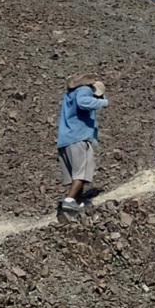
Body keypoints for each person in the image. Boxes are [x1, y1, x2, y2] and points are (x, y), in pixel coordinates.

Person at [56, 73, 108, 212]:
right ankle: (69, 200)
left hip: (65, 139)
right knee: (83, 171)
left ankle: (77, 202)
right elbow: (83, 102)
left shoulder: (70, 94)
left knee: (76, 174)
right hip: (78, 137)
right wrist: (104, 102)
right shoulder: (85, 90)